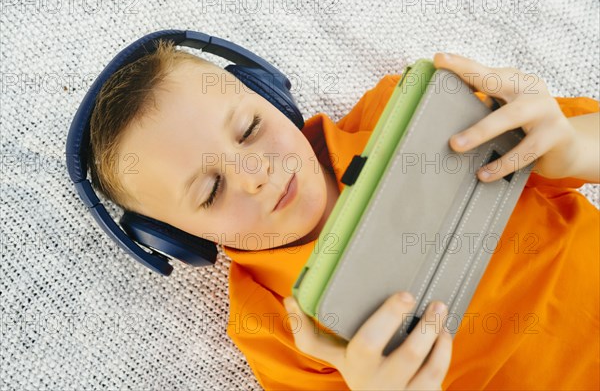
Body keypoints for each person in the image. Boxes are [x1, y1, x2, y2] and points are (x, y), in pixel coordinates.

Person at [88, 39, 600, 390]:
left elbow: (575, 138)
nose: (256, 172)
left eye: (248, 129)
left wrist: (571, 149)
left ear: (272, 97)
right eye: (212, 189)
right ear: (181, 240)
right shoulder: (267, 323)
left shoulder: (400, 112)